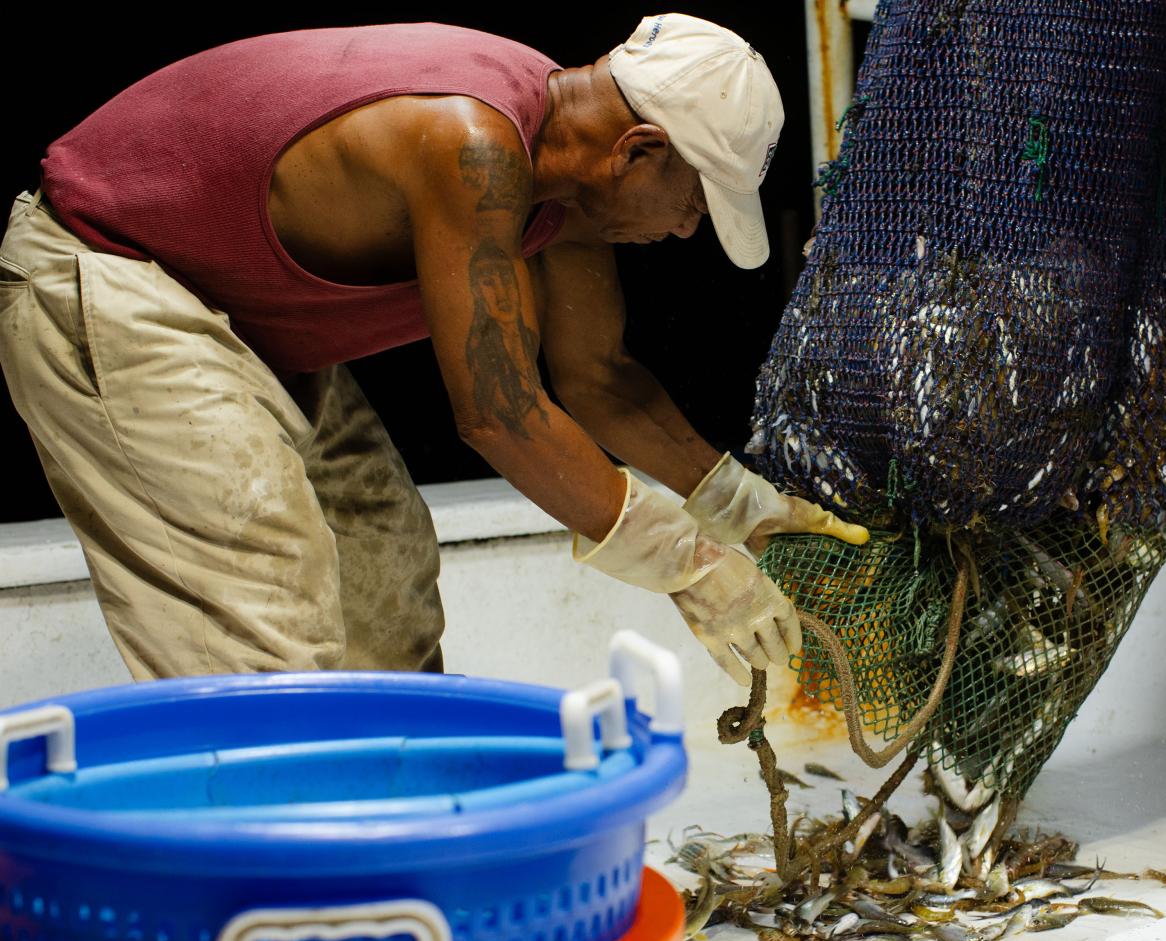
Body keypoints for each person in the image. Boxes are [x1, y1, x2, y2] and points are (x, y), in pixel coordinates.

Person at [0, 15, 865, 683]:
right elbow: (500, 413)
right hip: (112, 269)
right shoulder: (472, 144)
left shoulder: (567, 175)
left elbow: (597, 380)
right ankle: (286, 887)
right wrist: (685, 564)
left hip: (242, 313)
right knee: (266, 595)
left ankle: (391, 834)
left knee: (382, 559)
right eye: (697, 203)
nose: (686, 231)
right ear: (638, 151)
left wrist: (740, 508)